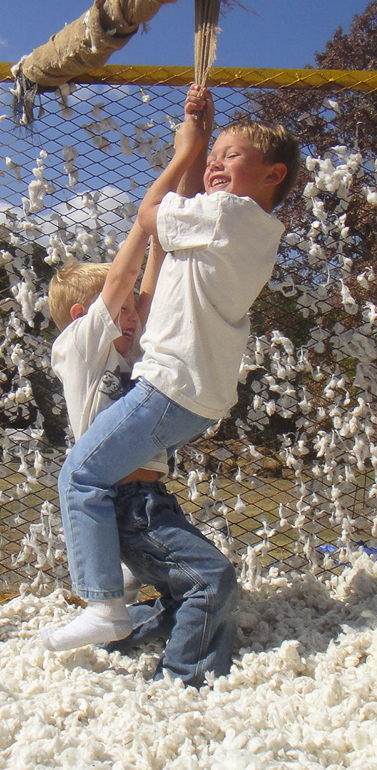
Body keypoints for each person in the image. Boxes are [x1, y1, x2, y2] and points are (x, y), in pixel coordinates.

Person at [48, 84, 300, 658]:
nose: (216, 167)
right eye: (215, 159)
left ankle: (104, 605)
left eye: (230, 157)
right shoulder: (236, 229)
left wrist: (186, 152)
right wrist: (203, 146)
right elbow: (157, 259)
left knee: (79, 476)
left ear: (272, 175)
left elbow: (151, 219)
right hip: (187, 394)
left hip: (172, 387)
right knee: (96, 485)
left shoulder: (229, 215)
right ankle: (129, 614)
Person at [43, 225, 239, 687]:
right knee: (213, 580)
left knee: (186, 588)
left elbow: (146, 292)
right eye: (122, 310)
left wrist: (164, 240)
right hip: (127, 505)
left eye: (131, 310)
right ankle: (182, 678)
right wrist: (145, 222)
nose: (133, 316)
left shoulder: (131, 357)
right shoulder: (78, 347)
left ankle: (125, 638)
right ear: (82, 315)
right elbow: (121, 283)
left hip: (150, 499)